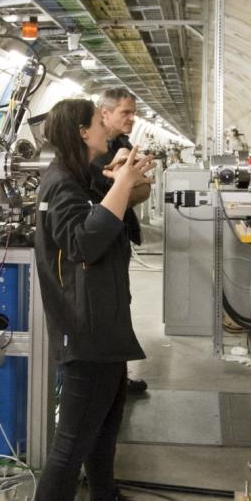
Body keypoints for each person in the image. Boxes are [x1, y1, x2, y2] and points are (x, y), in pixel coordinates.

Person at [28, 98, 159, 501]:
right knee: (68, 451)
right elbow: (82, 242)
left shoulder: (80, 176)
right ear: (83, 131)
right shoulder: (60, 184)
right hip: (83, 331)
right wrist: (123, 181)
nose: (109, 127)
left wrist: (124, 176)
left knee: (107, 418)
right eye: (101, 122)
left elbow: (113, 210)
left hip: (102, 324)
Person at [94, 87, 150, 394]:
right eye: (125, 112)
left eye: (133, 111)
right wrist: (128, 187)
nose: (132, 117)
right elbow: (105, 193)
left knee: (120, 303)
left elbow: (140, 188)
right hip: (100, 236)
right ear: (105, 113)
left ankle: (117, 377)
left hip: (118, 234)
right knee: (104, 307)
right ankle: (106, 380)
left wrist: (129, 186)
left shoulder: (123, 144)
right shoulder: (96, 148)